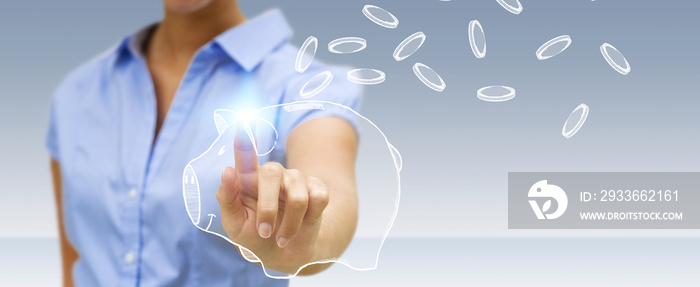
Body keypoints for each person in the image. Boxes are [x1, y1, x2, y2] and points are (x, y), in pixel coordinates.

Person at [47, 0, 362, 285]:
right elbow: (75, 262)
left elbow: (332, 189)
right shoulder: (77, 92)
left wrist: (300, 237)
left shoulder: (307, 86)